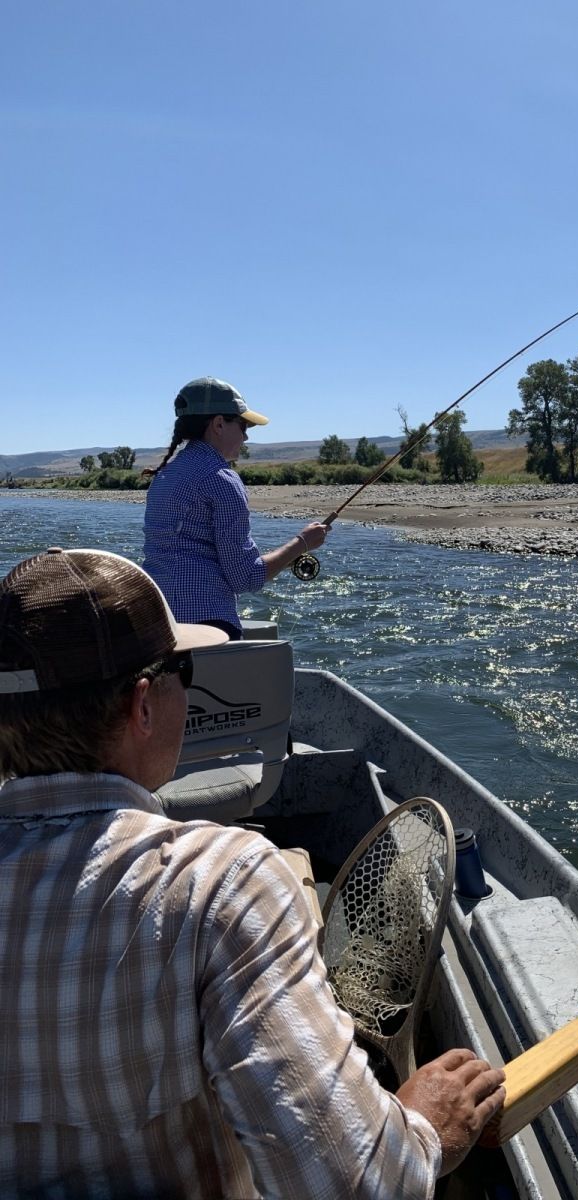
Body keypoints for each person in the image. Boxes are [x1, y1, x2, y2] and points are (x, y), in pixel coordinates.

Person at [0, 547, 506, 1198]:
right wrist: (423, 1130)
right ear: (143, 705)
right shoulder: (224, 883)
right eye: (181, 666)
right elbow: (358, 1187)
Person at [143, 376, 330, 639]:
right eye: (242, 425)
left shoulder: (165, 476)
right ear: (219, 424)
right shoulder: (220, 479)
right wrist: (303, 543)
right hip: (206, 627)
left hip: (158, 623)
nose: (246, 435)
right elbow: (246, 577)